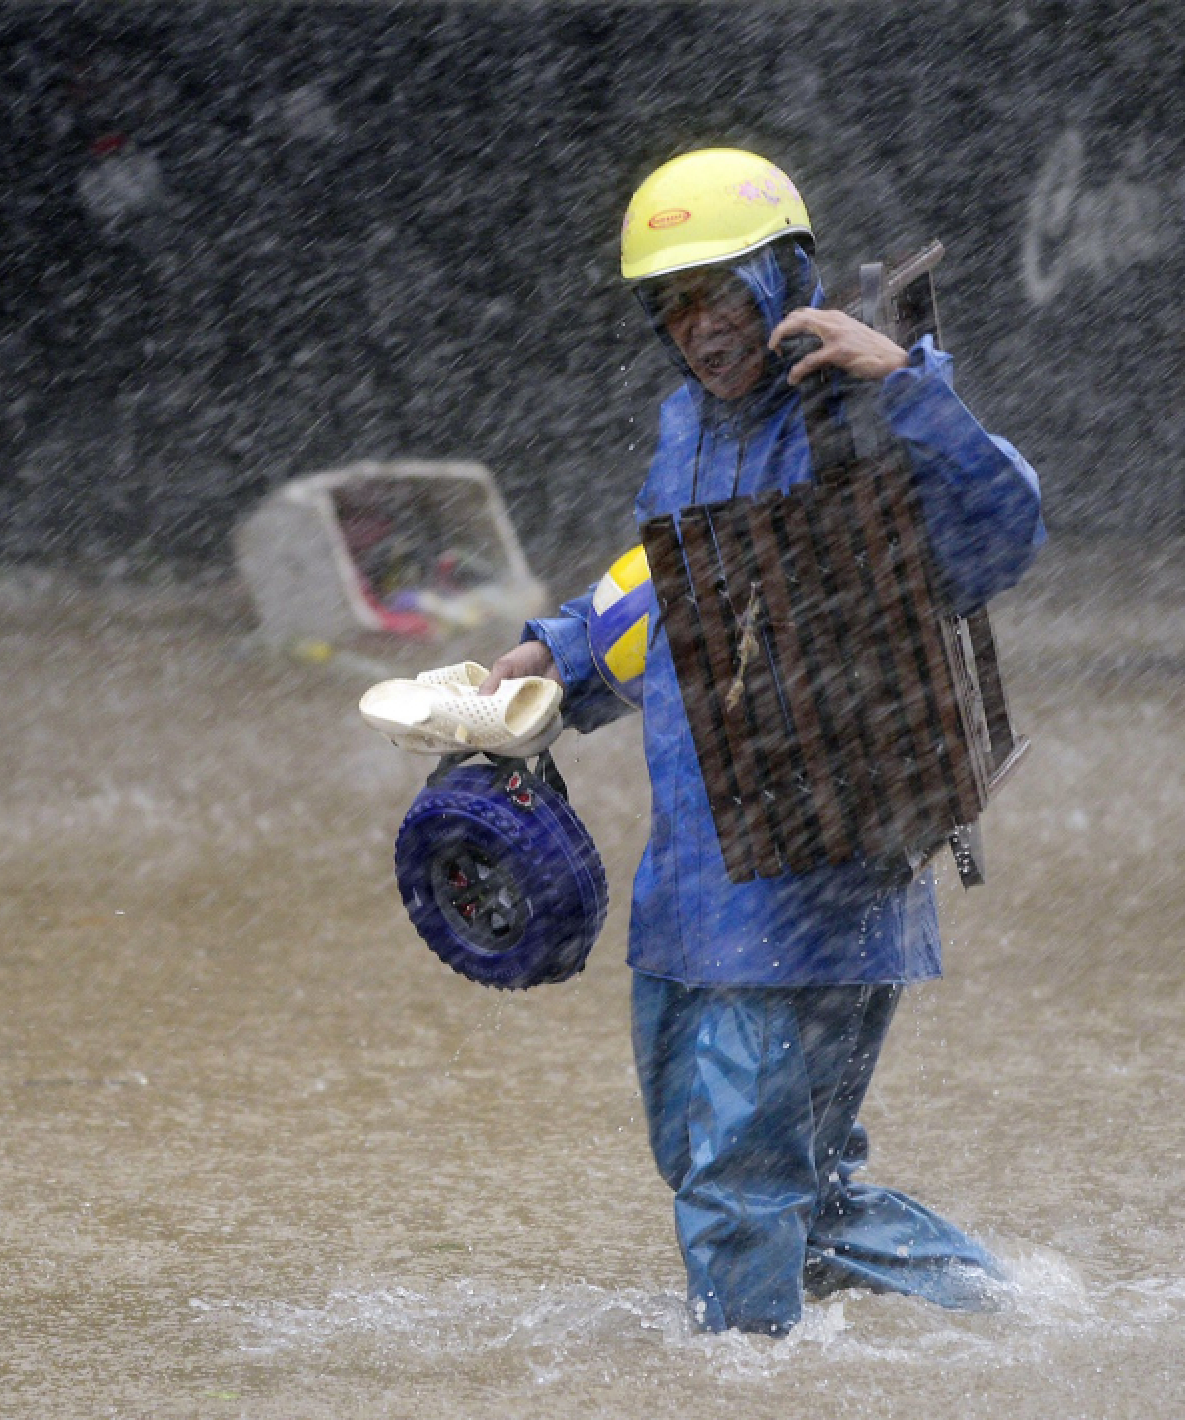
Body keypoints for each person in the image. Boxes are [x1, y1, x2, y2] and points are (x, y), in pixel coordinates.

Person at [480, 149, 1046, 1335]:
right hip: (692, 871)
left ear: (781, 279)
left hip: (815, 865)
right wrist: (561, 655)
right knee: (750, 1175)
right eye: (672, 305)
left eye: (719, 295)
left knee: (739, 1180)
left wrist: (909, 387)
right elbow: (671, 587)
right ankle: (1018, 1317)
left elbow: (1000, 532)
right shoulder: (682, 426)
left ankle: (739, 1378)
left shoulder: (862, 409)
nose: (698, 329)